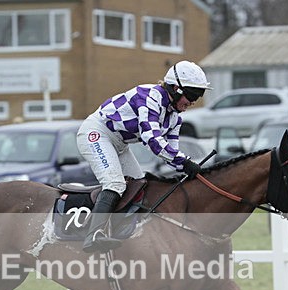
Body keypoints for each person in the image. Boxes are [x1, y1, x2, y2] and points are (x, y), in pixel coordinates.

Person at [76, 60, 211, 253]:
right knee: (115, 184)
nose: (193, 101)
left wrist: (189, 168)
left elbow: (171, 151)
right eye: (191, 95)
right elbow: (152, 140)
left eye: (199, 96)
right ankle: (93, 235)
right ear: (175, 88)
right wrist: (184, 162)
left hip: (119, 144)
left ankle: (122, 232)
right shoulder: (149, 97)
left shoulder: (175, 117)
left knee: (139, 185)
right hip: (96, 134)